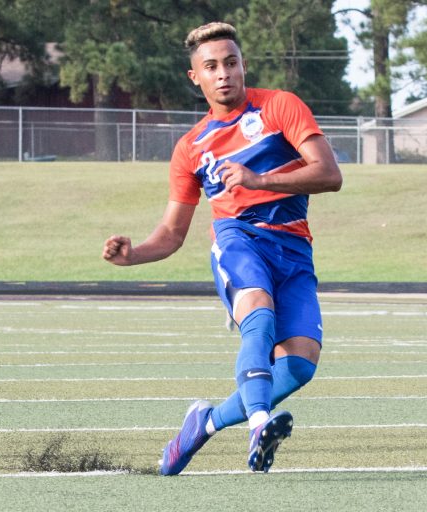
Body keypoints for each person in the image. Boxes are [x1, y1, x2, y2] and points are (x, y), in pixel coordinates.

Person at [102, 21, 342, 475]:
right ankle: (258, 424)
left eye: (230, 62)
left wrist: (260, 179)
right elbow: (172, 233)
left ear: (242, 65)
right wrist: (133, 254)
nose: (223, 73)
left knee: (300, 366)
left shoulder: (280, 106)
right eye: (211, 66)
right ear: (196, 77)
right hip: (237, 238)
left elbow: (330, 174)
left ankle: (204, 423)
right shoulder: (191, 147)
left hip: (293, 249)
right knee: (259, 316)